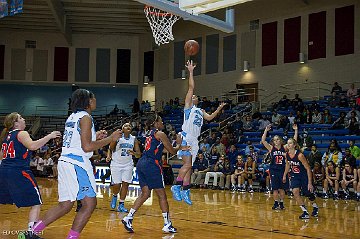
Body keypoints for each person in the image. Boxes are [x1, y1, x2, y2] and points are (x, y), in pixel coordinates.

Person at [31, 89, 122, 239]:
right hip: (77, 163)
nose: (95, 101)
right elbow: (87, 147)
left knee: (65, 205)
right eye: (94, 98)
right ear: (88, 102)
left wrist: (95, 135)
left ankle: (33, 231)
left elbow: (78, 140)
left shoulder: (72, 117)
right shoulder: (86, 117)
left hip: (65, 161)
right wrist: (111, 138)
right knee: (89, 204)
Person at [171, 60, 226, 205]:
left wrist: (219, 109)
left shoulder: (201, 111)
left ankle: (186, 190)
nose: (193, 96)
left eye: (195, 96)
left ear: (199, 100)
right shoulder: (188, 107)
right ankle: (176, 186)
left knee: (189, 168)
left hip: (195, 140)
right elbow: (191, 87)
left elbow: (211, 117)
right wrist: (190, 71)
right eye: (192, 96)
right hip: (186, 137)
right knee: (187, 165)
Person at [121, 113, 188, 233]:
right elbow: (172, 150)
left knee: (145, 193)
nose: (163, 123)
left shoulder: (149, 134)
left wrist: (178, 147)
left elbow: (165, 148)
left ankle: (128, 217)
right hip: (152, 164)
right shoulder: (160, 134)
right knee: (162, 195)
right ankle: (167, 224)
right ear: (156, 123)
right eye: (161, 121)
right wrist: (179, 145)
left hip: (142, 163)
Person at [0, 112, 61, 239]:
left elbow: (1, 156)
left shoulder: (6, 137)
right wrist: (49, 136)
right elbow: (33, 146)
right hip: (19, 171)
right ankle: (31, 232)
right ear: (16, 123)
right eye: (21, 118)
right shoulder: (21, 133)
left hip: (4, 171)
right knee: (36, 201)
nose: (23, 119)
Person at [261, 124, 298, 210]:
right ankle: (275, 203)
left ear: (280, 140)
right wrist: (266, 130)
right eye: (275, 140)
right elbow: (263, 141)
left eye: (278, 139)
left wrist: (295, 130)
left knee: (282, 189)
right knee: (275, 189)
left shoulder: (284, 148)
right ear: (273, 142)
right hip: (273, 170)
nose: (276, 141)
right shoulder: (271, 148)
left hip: (282, 170)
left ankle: (281, 203)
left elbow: (294, 141)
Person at [108, 122, 141, 212]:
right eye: (126, 126)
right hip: (116, 163)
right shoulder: (118, 137)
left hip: (128, 164)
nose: (128, 126)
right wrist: (114, 140)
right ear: (122, 129)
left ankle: (121, 204)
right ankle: (115, 195)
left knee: (125, 184)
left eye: (129, 126)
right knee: (117, 184)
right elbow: (111, 148)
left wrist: (134, 153)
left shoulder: (133, 139)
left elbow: (138, 154)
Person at [283, 138, 319, 219]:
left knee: (307, 193)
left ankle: (315, 207)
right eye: (287, 143)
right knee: (295, 191)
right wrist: (284, 175)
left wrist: (310, 183)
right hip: (294, 176)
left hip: (303, 176)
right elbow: (288, 165)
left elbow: (308, 168)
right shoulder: (286, 155)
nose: (288, 145)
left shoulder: (300, 155)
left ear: (294, 145)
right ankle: (305, 212)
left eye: (290, 143)